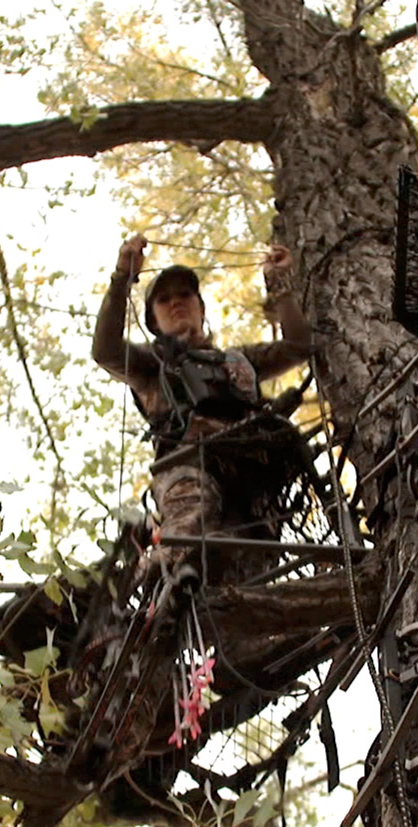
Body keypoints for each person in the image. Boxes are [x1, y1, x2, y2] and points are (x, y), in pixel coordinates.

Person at [93, 234, 314, 584]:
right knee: (187, 541)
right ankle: (151, 593)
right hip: (188, 465)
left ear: (201, 307)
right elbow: (105, 350)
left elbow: (299, 345)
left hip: (254, 478)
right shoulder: (151, 364)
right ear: (153, 321)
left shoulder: (238, 360)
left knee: (250, 569)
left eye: (185, 295)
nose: (176, 302)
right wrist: (122, 278)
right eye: (164, 300)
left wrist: (279, 284)